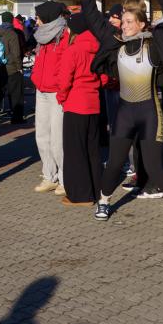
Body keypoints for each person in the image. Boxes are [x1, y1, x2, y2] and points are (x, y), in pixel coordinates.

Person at [85, 0, 163, 238]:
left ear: (141, 24)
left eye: (129, 22)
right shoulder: (116, 43)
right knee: (114, 163)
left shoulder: (155, 43)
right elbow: (94, 22)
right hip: (125, 114)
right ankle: (104, 200)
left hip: (150, 113)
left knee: (154, 168)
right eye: (123, 21)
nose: (123, 26)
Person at [56, 13, 103, 206]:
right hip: (94, 102)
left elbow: (64, 79)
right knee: (92, 150)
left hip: (75, 103)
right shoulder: (97, 48)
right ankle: (96, 190)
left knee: (75, 151)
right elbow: (104, 77)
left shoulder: (73, 50)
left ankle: (80, 194)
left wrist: (61, 97)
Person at [30, 1, 69, 194]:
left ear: (47, 17)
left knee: (57, 139)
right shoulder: (41, 36)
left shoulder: (64, 35)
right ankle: (49, 175)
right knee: (42, 136)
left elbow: (67, 65)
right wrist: (36, 78)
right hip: (41, 90)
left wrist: (62, 88)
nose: (36, 21)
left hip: (57, 93)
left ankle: (65, 179)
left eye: (38, 18)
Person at [0, 11, 26, 124]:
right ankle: (17, 117)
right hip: (12, 68)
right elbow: (16, 53)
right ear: (11, 20)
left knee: (0, 90)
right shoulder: (13, 34)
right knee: (16, 93)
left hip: (1, 66)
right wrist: (19, 67)